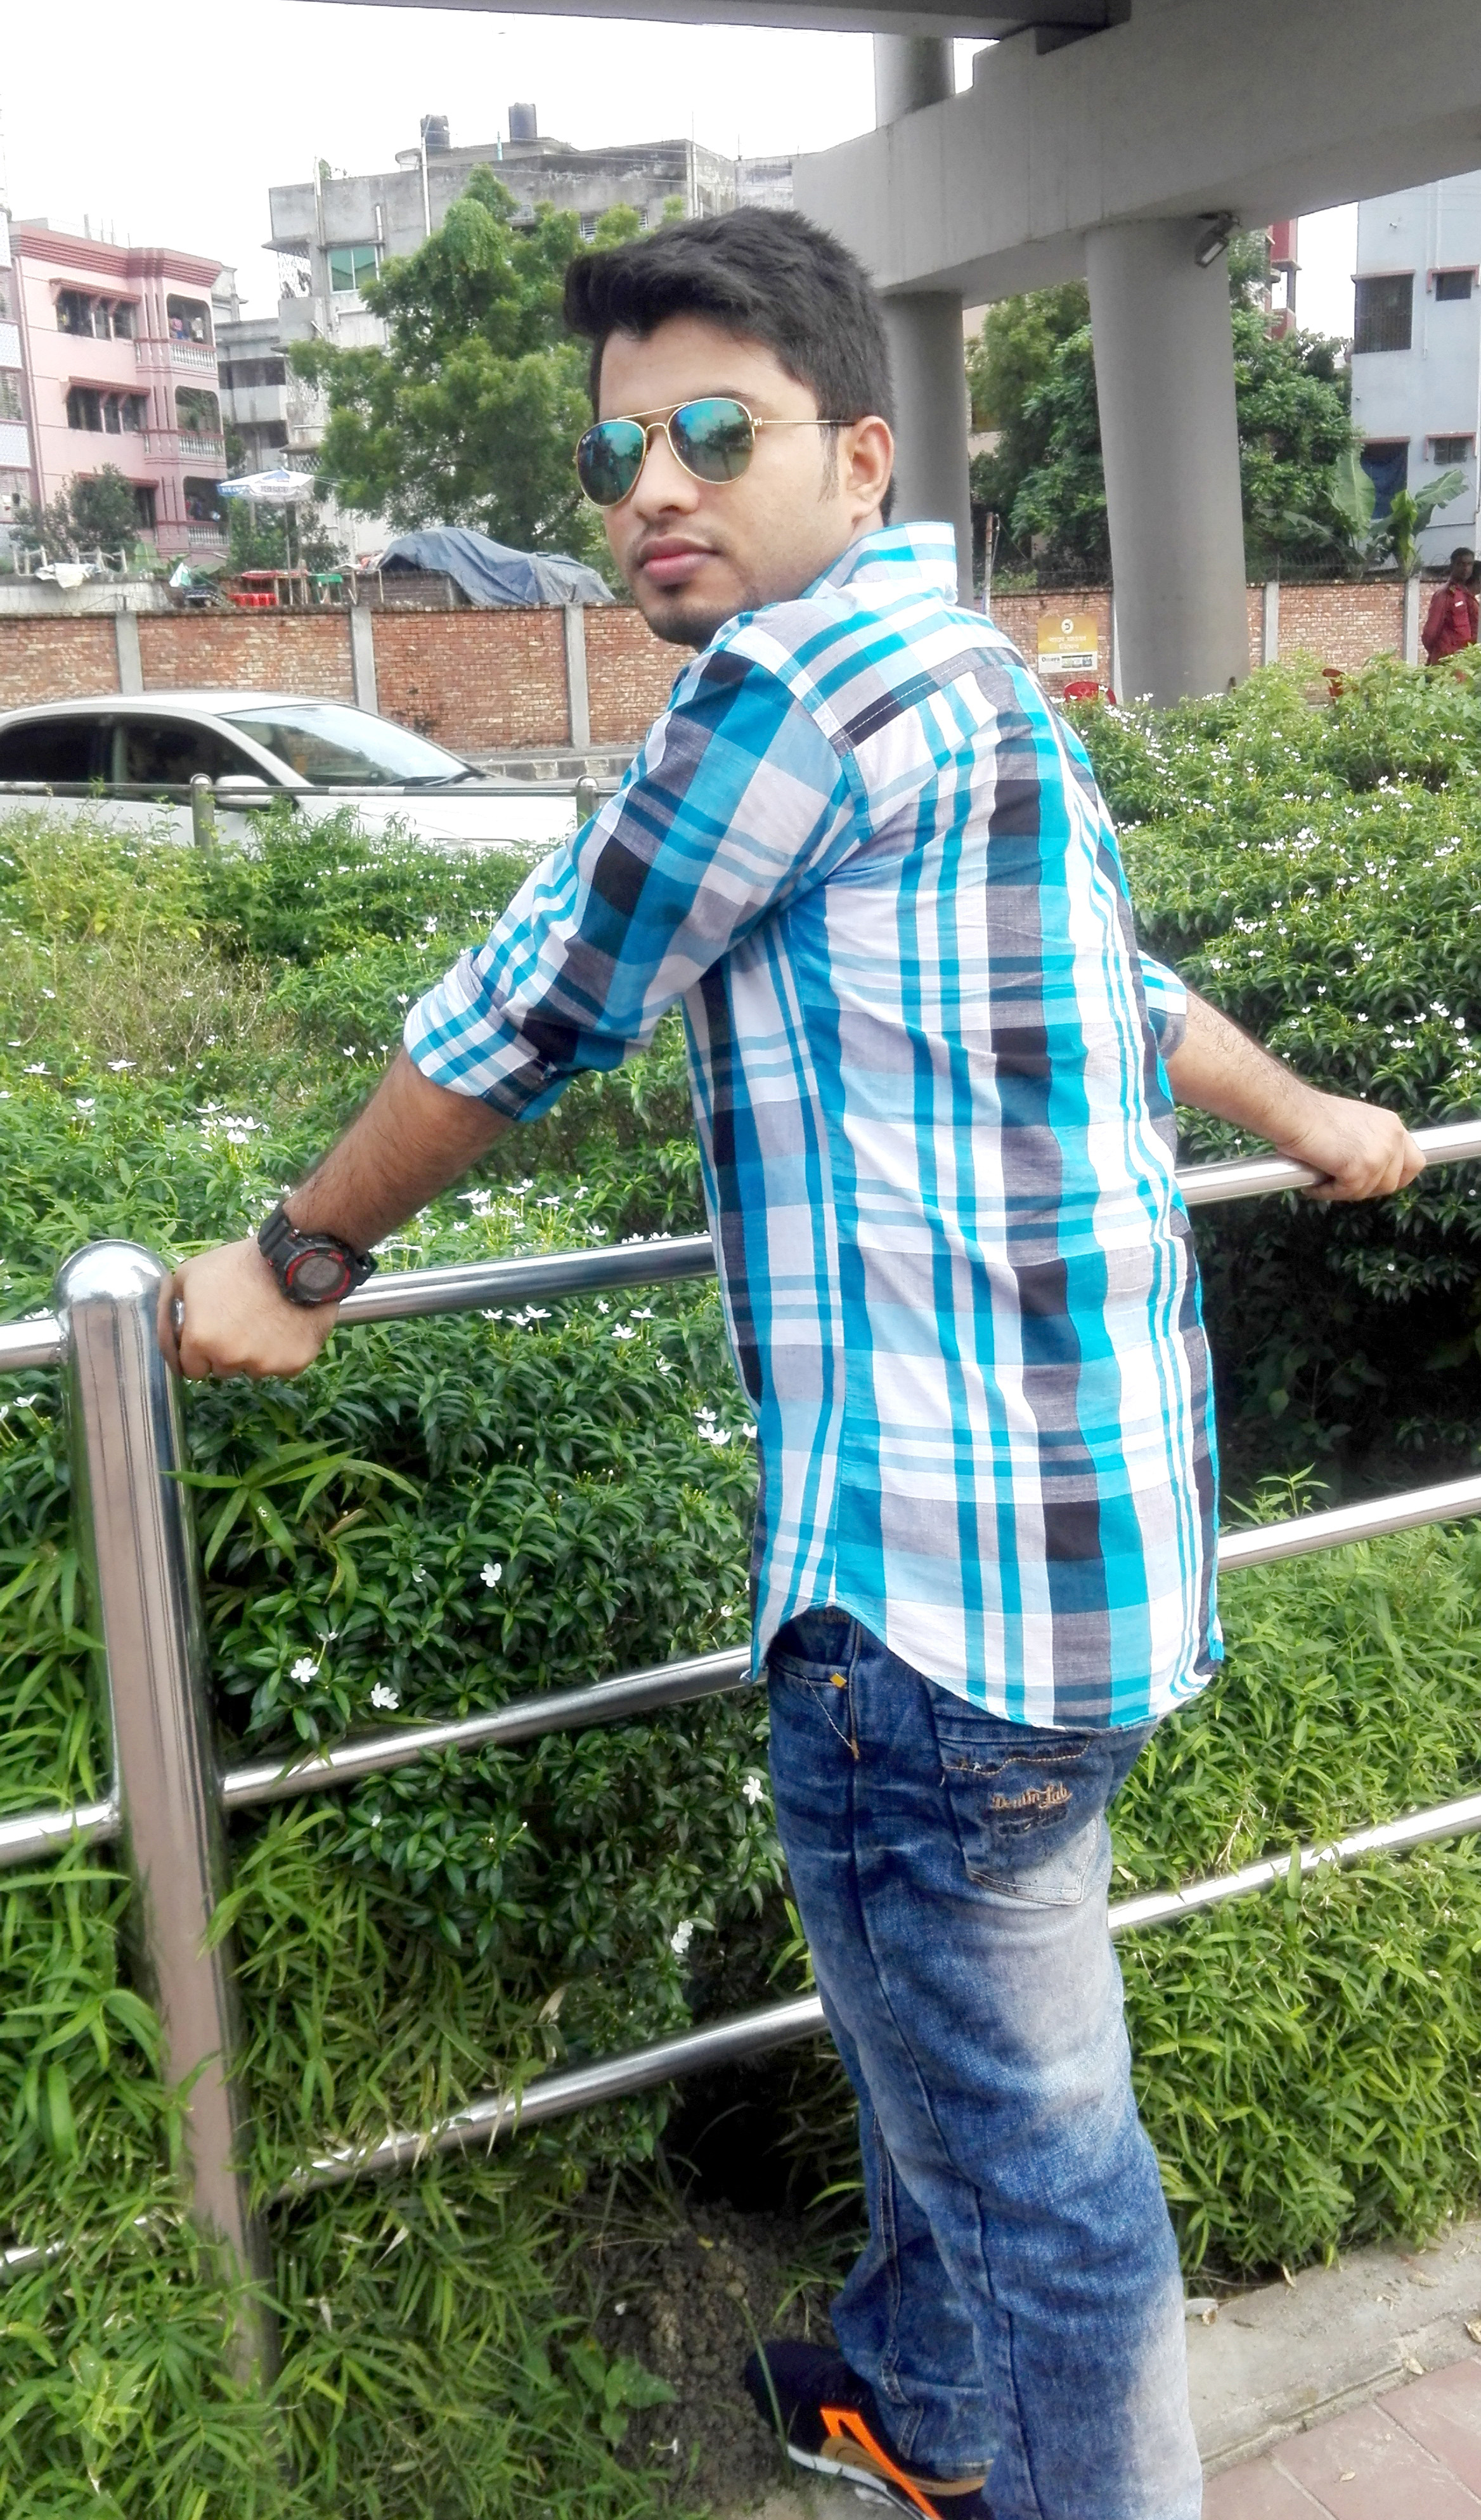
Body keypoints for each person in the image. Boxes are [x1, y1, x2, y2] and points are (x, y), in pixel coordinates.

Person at [171, 209, 1424, 2520]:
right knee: (962, 2072)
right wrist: (1313, 1114)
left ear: (856, 455)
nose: (653, 484)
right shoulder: (964, 676)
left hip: (929, 1607)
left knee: (1038, 2170)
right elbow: (1121, 983)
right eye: (616, 451)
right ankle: (914, 2404)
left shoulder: (791, 687)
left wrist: (301, 1249)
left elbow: (545, 1001)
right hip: (1086, 1560)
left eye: (711, 433)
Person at [1421, 546, 1478, 664]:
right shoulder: (1445, 594)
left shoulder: (1465, 593)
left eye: (1469, 564)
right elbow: (1430, 633)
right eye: (1461, 564)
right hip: (1447, 660)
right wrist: (1438, 654)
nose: (1466, 569)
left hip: (1463, 660)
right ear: (1452, 566)